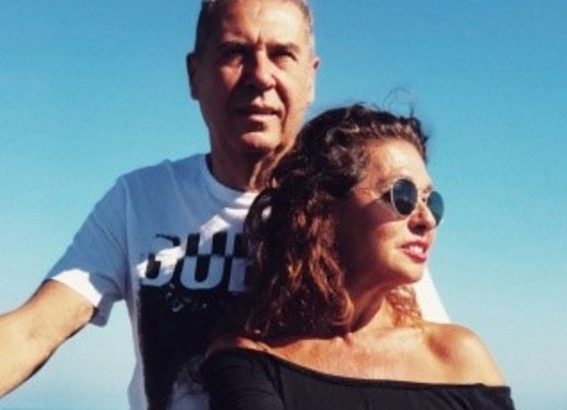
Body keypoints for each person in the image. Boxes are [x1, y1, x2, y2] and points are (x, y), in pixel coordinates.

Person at [0, 1, 447, 409]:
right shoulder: (139, 200)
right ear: (195, 75)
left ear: (311, 77)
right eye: (235, 53)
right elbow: (35, 330)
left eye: (282, 55)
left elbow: (430, 355)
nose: (260, 76)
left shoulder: (352, 209)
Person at [201, 104, 516, 410]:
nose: (427, 219)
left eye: (430, 201)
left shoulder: (458, 356)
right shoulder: (251, 360)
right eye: (402, 195)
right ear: (321, 206)